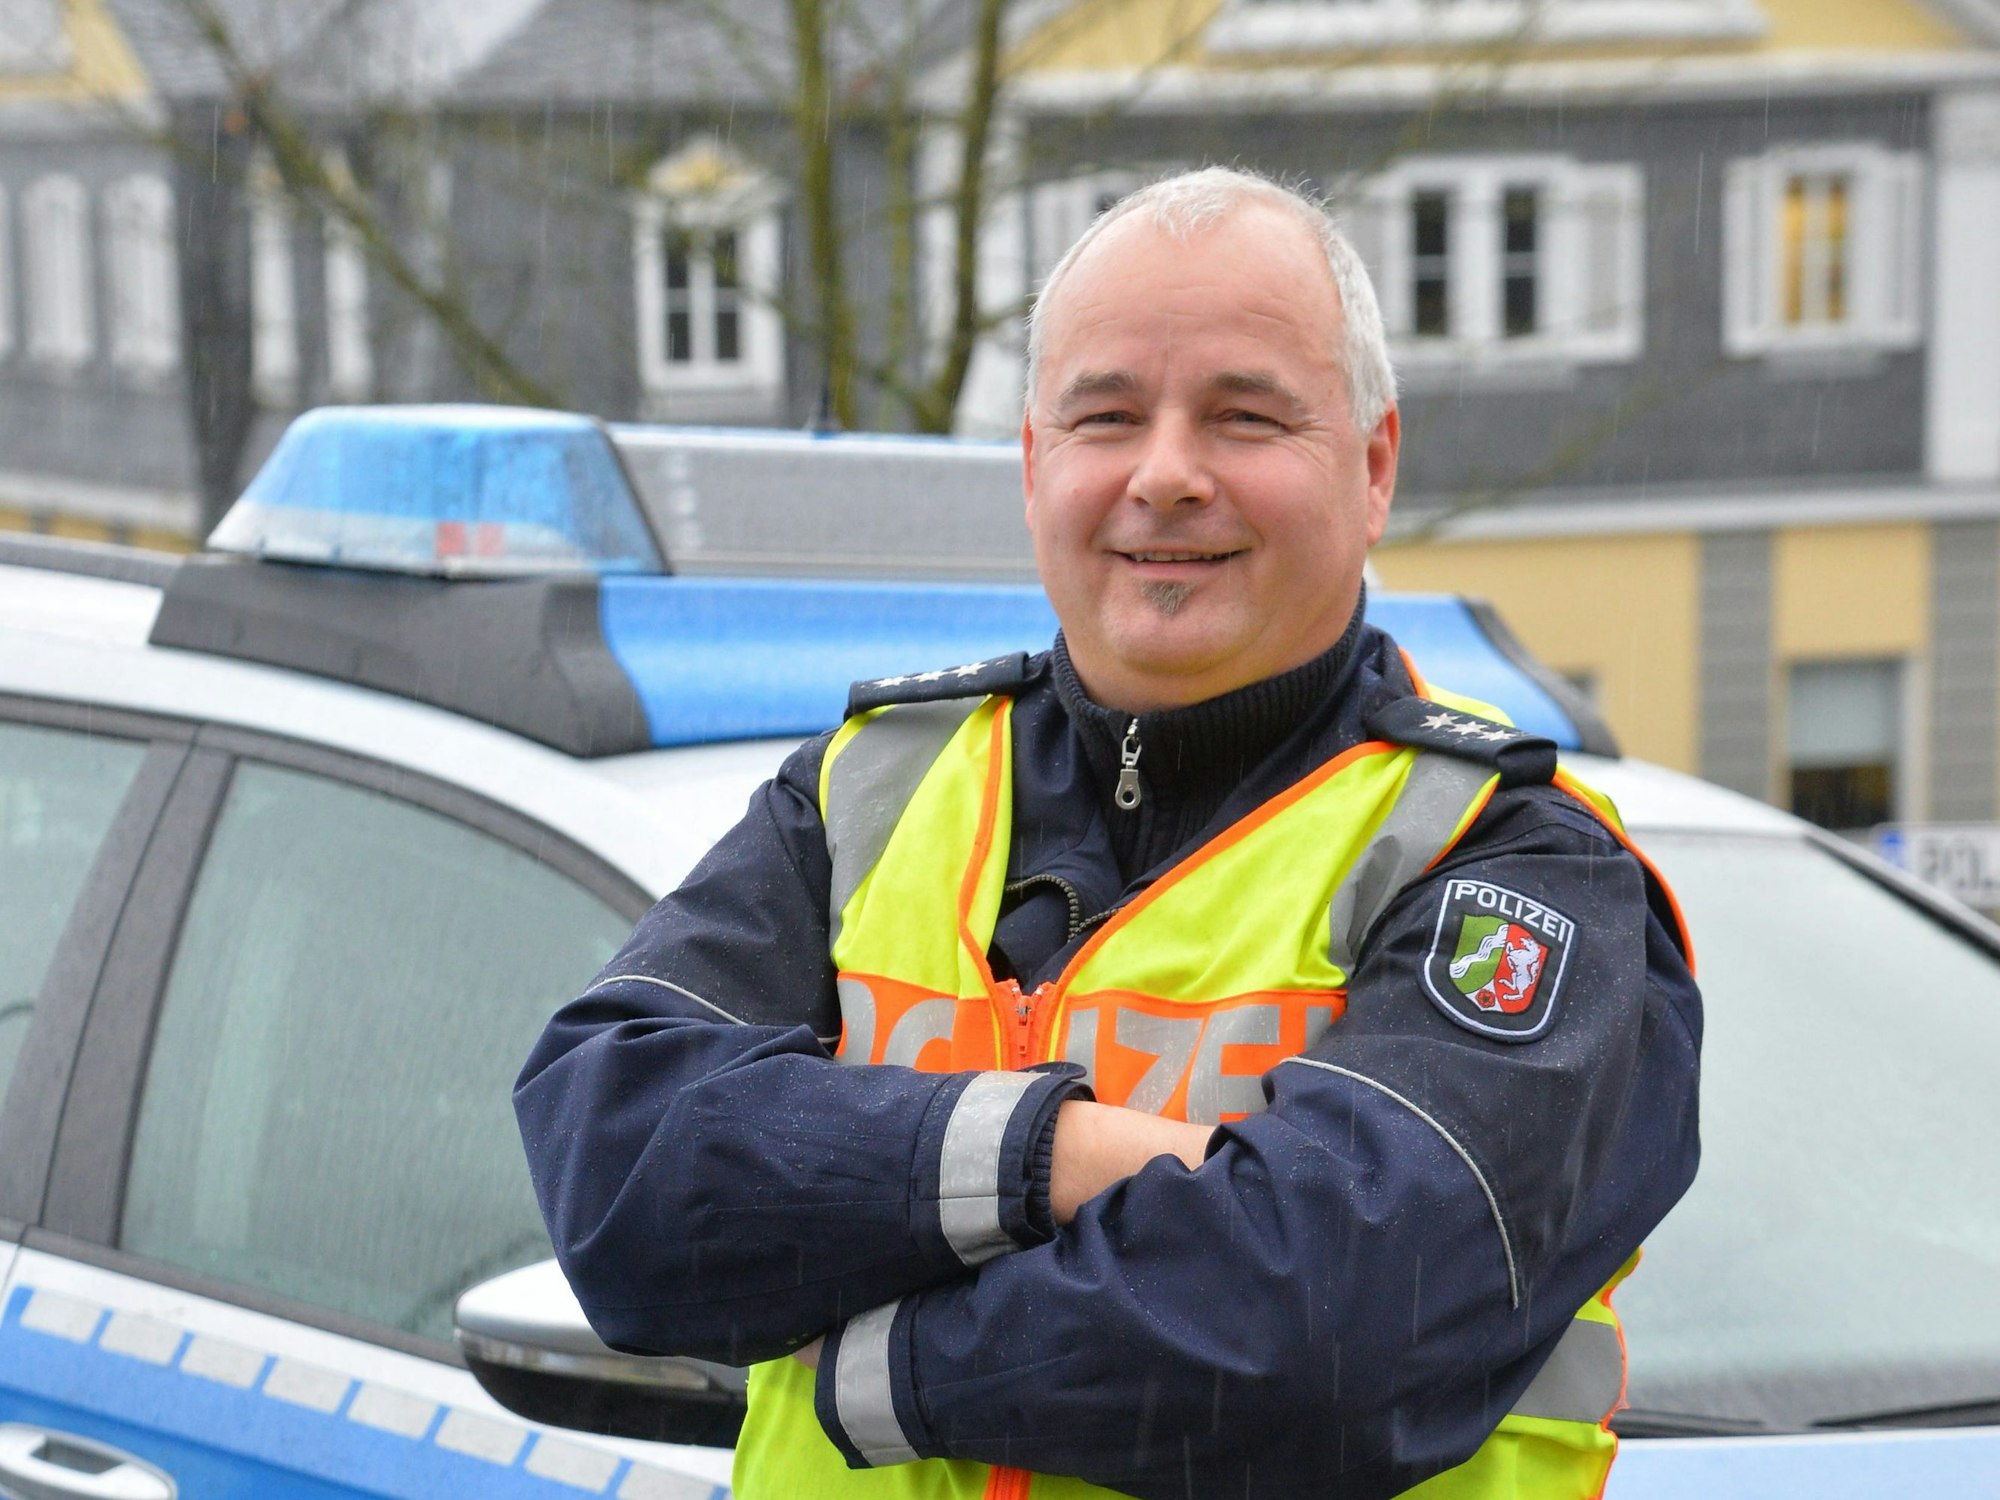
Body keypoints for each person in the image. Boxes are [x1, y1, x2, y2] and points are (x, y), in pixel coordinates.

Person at [516, 166, 1701, 1500]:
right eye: (1107, 416)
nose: (1168, 474)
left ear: (1372, 468)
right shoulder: (874, 789)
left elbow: (1318, 1334)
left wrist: (879, 1373)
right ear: (1035, 468)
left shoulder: (1513, 862)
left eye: (1246, 416)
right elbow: (615, 1175)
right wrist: (1056, 1157)